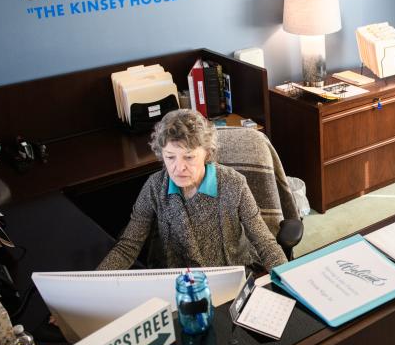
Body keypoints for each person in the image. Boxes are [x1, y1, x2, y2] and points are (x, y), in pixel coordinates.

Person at [97, 109, 287, 271]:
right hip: (178, 281)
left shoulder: (234, 184)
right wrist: (96, 282)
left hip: (231, 275)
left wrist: (287, 280)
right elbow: (128, 246)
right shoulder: (155, 187)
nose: (178, 168)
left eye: (188, 157)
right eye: (170, 157)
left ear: (206, 153)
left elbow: (265, 243)